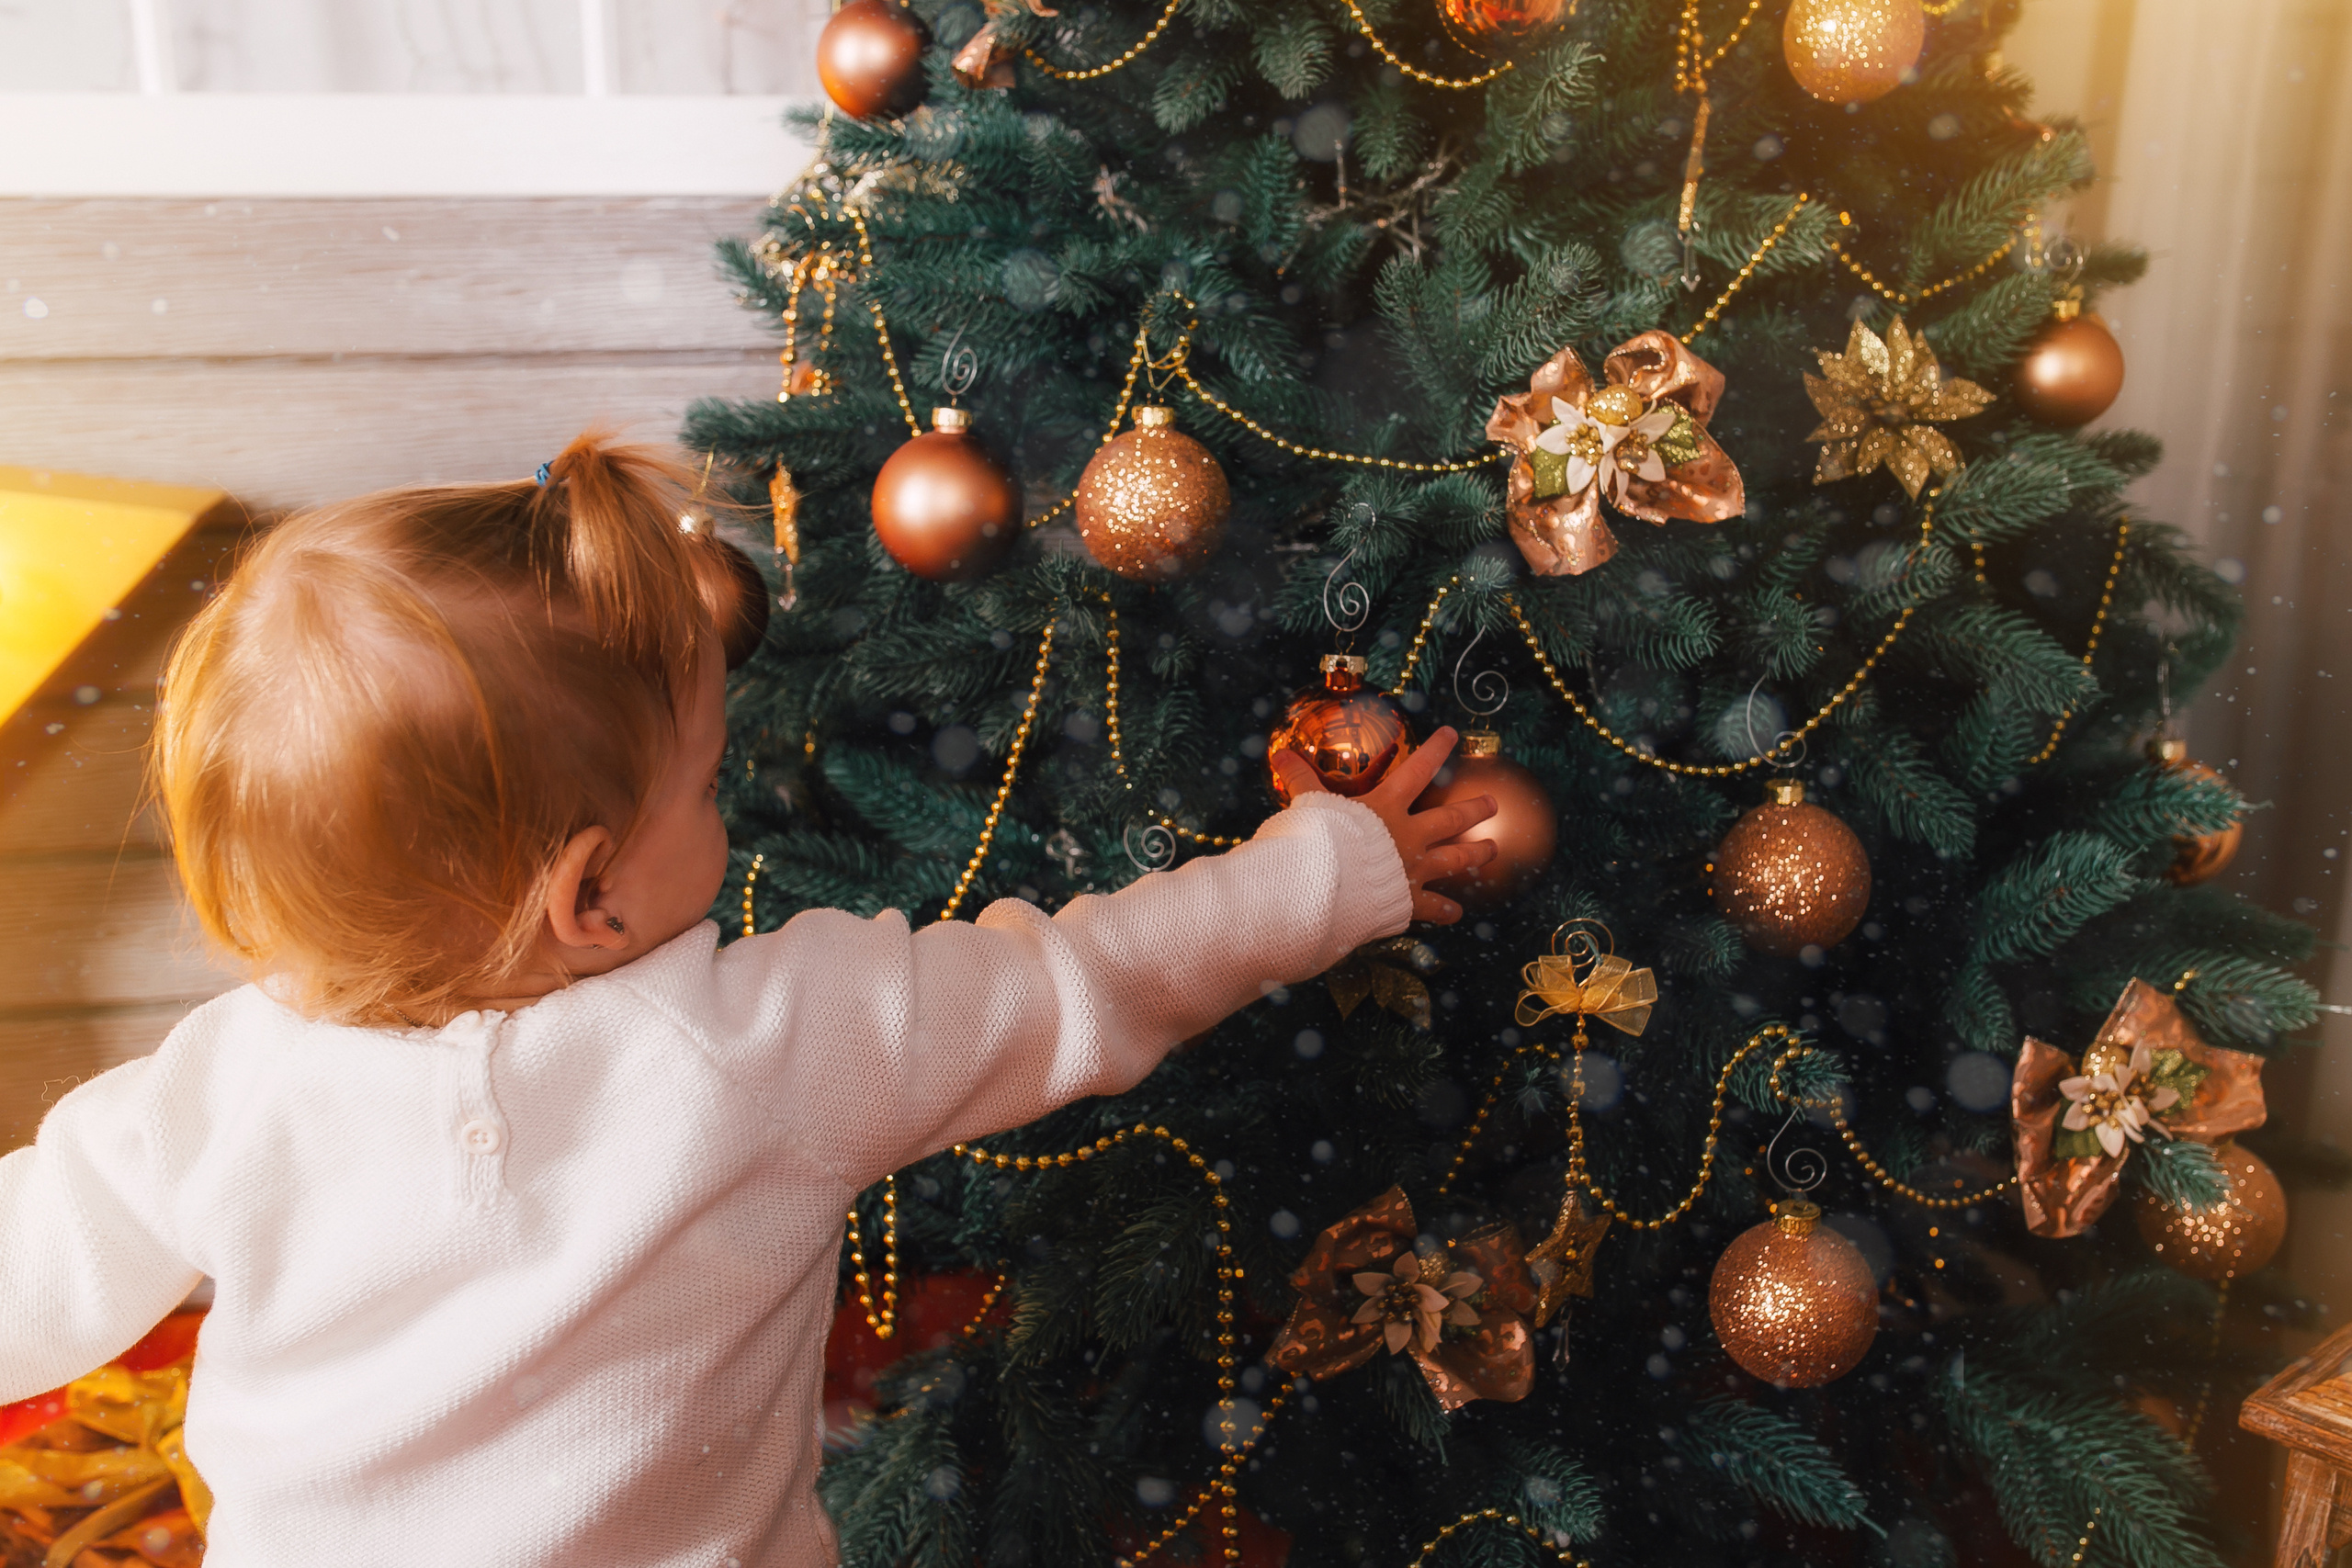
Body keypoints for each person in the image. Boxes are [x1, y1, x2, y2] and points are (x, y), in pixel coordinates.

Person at [0, 434, 1496, 1566]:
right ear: (593, 900)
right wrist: (1334, 868)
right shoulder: (766, 1041)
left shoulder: (224, 1084)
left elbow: (38, 1256)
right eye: (704, 785)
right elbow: (1086, 981)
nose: (728, 808)